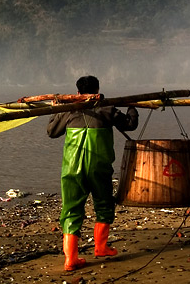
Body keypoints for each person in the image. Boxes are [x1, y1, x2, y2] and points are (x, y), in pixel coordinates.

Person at [47, 75, 138, 271]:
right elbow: (130, 124)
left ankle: (70, 259)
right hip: (100, 167)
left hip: (72, 169)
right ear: (97, 91)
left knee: (71, 210)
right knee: (104, 204)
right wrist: (131, 106)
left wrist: (56, 109)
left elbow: (52, 131)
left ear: (77, 93)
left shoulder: (69, 111)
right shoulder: (107, 110)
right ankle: (101, 247)